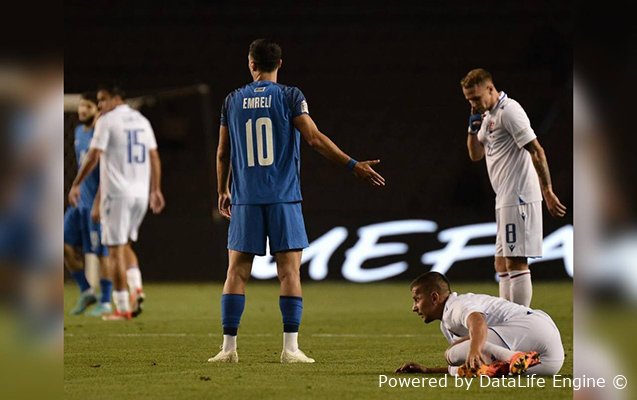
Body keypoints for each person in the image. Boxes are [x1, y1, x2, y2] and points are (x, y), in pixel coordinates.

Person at [209, 38, 385, 364]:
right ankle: (290, 349)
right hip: (283, 198)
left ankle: (228, 348)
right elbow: (314, 139)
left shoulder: (232, 100)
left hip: (246, 199)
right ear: (280, 63)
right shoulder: (291, 96)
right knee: (289, 273)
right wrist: (352, 164)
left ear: (251, 64)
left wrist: (223, 189)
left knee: (236, 272)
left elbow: (223, 152)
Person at [461, 68, 567, 307]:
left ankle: (521, 322)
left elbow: (537, 150)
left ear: (490, 89)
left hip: (519, 196)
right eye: (468, 99)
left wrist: (547, 191)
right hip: (504, 198)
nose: (473, 103)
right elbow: (475, 155)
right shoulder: (487, 116)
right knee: (501, 264)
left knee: (516, 261)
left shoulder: (510, 111)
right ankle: (508, 321)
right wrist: (472, 125)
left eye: (476, 98)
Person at [68, 84, 165, 320]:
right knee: (125, 246)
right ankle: (137, 286)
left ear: (115, 98)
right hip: (140, 194)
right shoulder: (141, 120)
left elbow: (93, 155)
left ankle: (121, 307)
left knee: (114, 251)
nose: (100, 105)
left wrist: (77, 183)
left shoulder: (107, 121)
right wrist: (155, 189)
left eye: (103, 99)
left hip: (117, 194)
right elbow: (154, 155)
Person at [395, 272, 564, 377]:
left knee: (452, 354)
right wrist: (428, 371)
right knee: (462, 366)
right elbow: (467, 360)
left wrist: (474, 350)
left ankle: (513, 357)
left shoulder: (456, 305)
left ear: (434, 297)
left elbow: (477, 321)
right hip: (551, 362)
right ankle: (506, 361)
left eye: (417, 299)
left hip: (530, 327)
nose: (414, 307)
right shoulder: (446, 322)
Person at [64, 92, 114, 316]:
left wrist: (98, 202)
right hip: (78, 203)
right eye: (81, 106)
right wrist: (75, 187)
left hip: (98, 203)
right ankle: (86, 290)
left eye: (88, 106)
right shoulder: (78, 132)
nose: (82, 110)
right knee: (63, 246)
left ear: (98, 110)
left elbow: (107, 172)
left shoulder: (101, 135)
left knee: (101, 253)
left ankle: (106, 300)